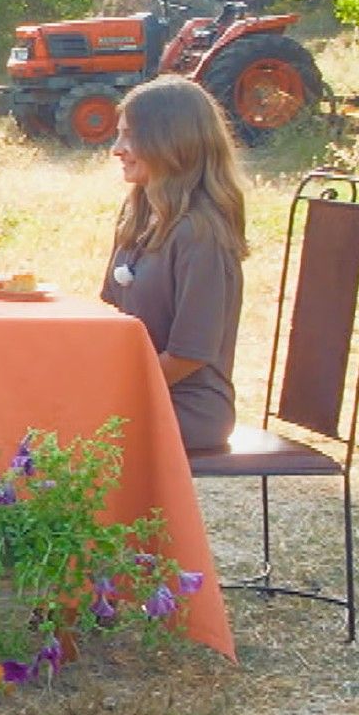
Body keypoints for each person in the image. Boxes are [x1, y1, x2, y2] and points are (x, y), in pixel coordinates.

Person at [99, 75, 246, 453]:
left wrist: (113, 391)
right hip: (138, 392)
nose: (117, 149)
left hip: (187, 407)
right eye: (119, 135)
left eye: (130, 136)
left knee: (60, 421)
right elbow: (109, 313)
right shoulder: (137, 213)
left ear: (171, 142)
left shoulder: (201, 234)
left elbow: (190, 354)